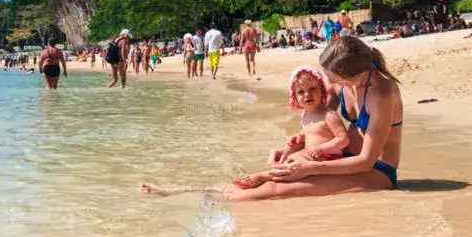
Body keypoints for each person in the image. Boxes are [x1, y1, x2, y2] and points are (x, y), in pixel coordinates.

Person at [232, 38, 404, 200]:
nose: (330, 82)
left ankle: (227, 203)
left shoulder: (382, 95)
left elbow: (366, 161)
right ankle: (217, 198)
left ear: (355, 76)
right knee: (280, 173)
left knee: (276, 190)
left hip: (375, 170)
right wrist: (289, 148)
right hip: (340, 158)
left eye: (334, 79)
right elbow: (319, 123)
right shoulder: (341, 83)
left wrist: (311, 168)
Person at [141, 67, 349, 196]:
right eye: (301, 92)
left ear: (322, 90)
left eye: (313, 89)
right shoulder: (306, 115)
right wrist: (299, 138)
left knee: (295, 161)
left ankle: (265, 175)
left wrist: (322, 148)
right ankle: (271, 174)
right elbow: (311, 133)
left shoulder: (328, 115)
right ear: (295, 98)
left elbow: (343, 139)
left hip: (327, 159)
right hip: (313, 156)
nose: (307, 95)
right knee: (290, 158)